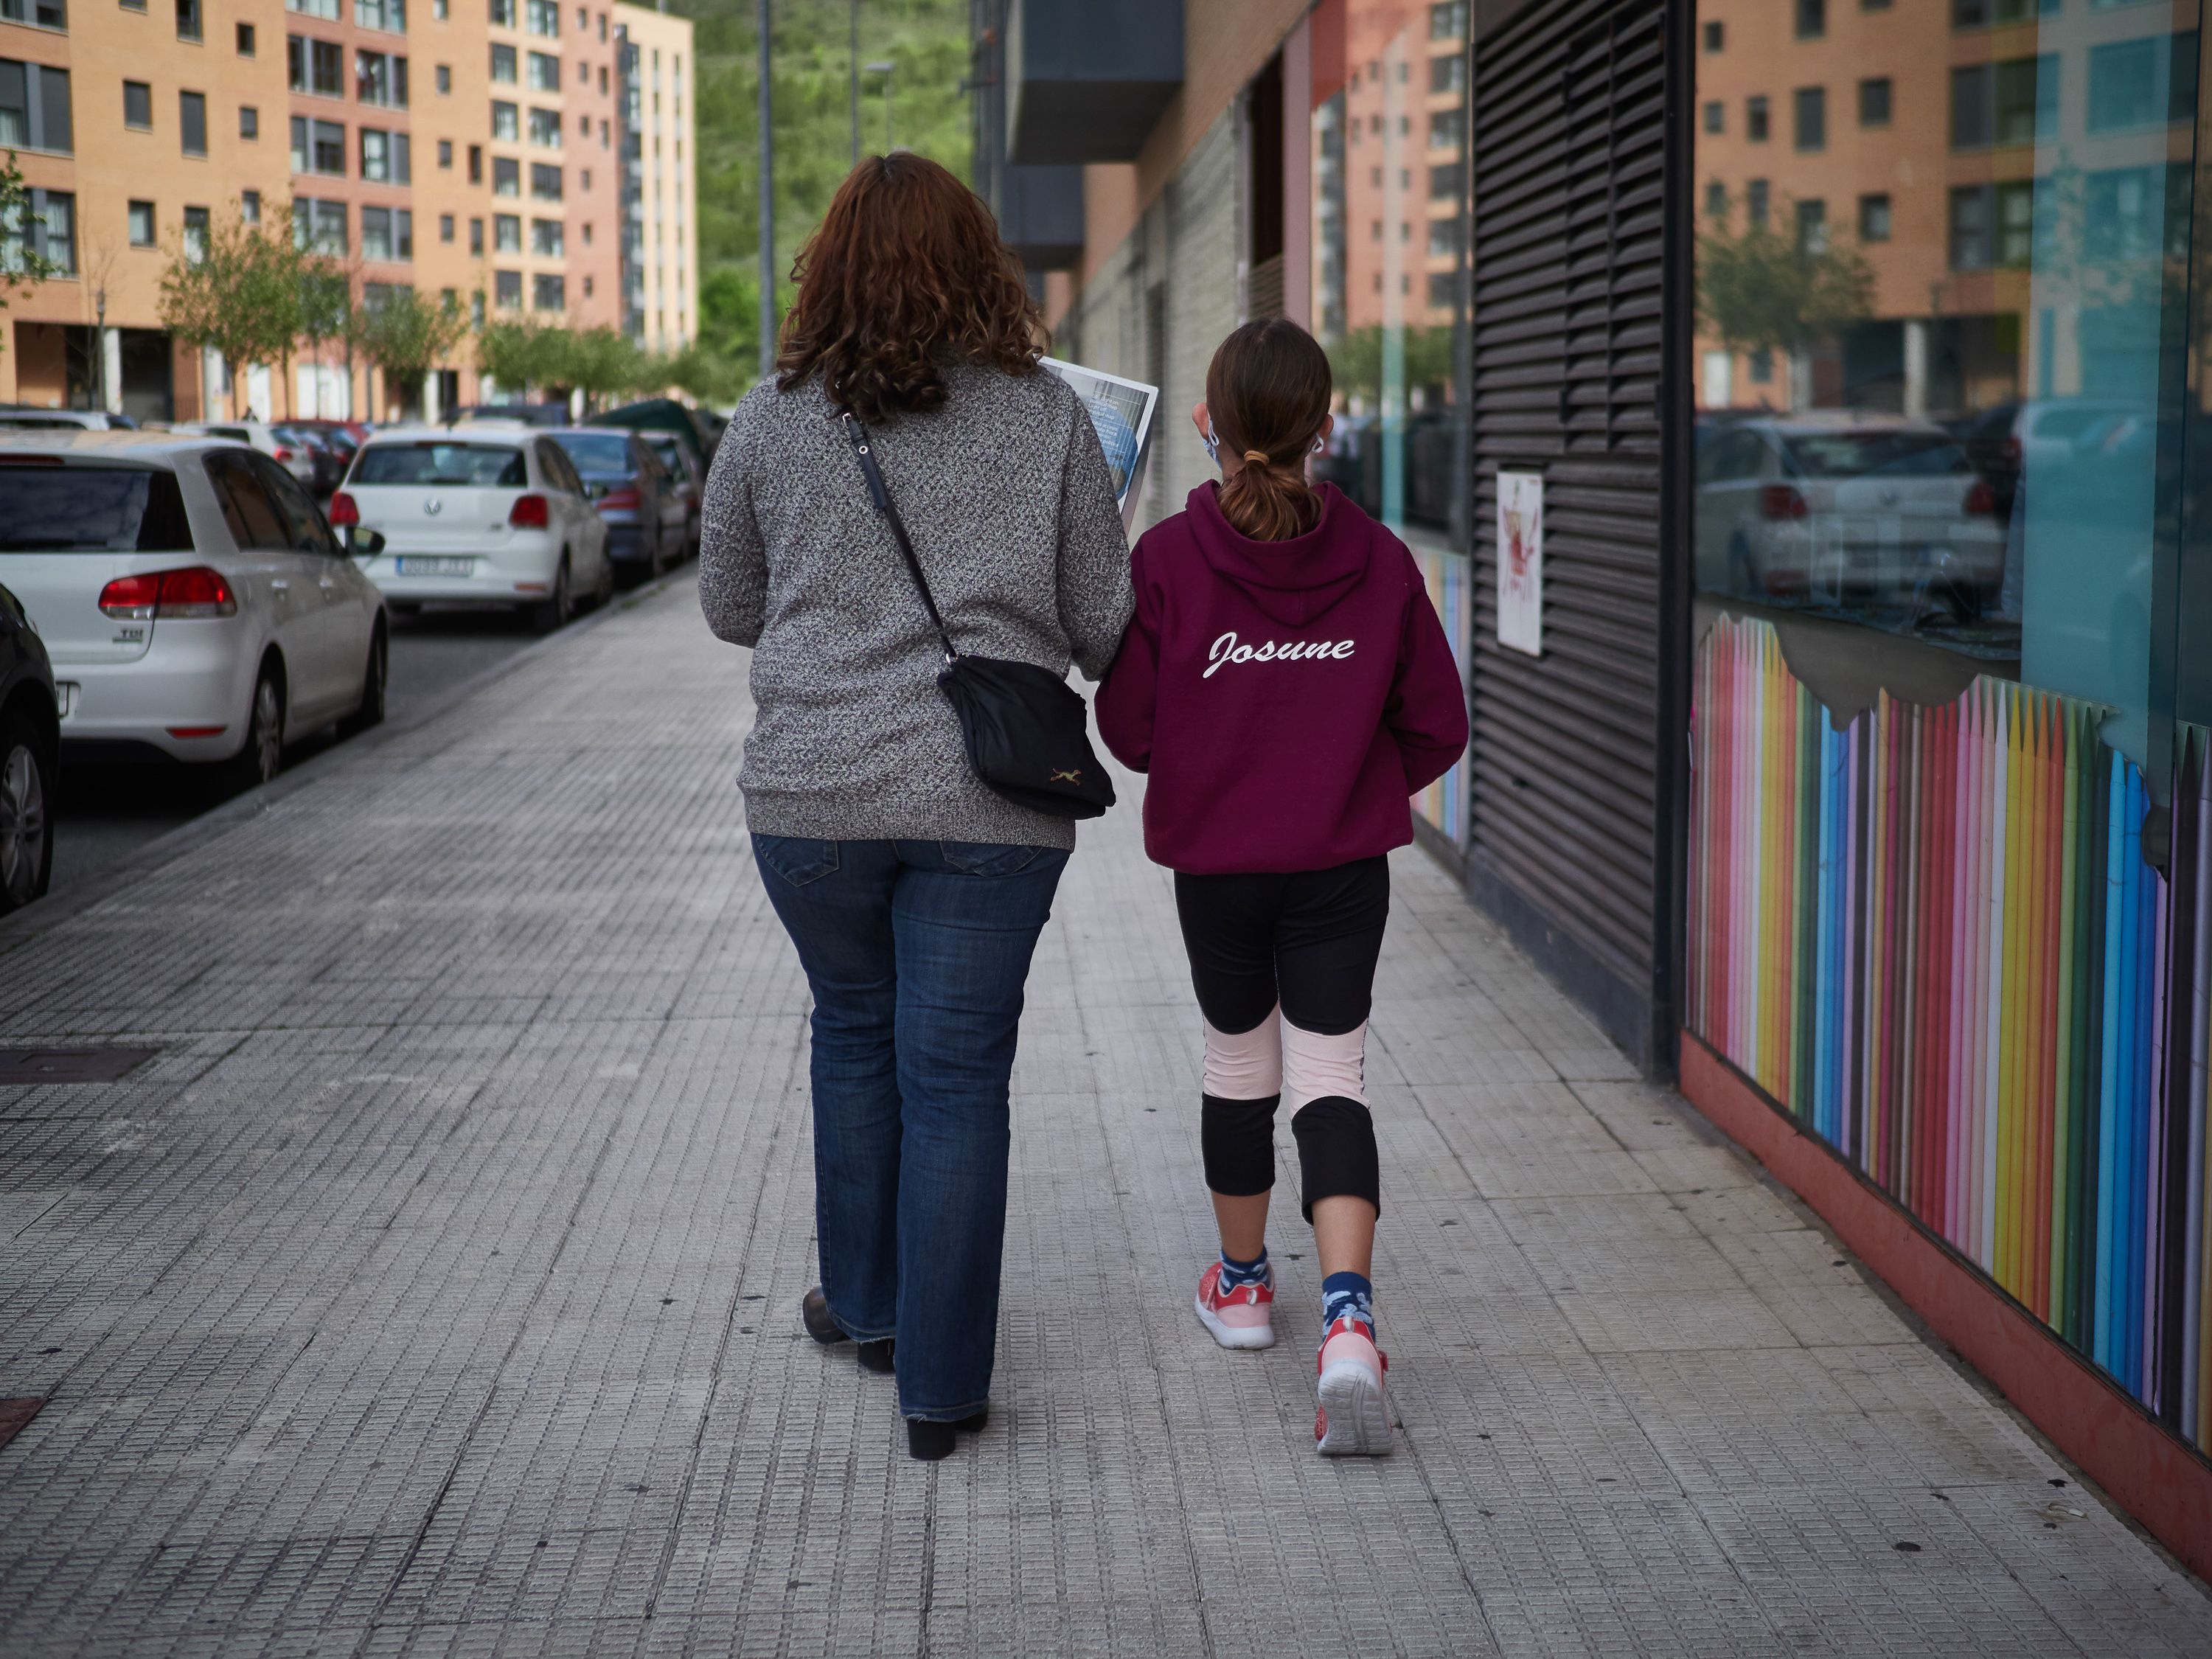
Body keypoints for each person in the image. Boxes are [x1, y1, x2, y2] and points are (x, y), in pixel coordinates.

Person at [698, 154, 1133, 1462]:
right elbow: (1105, 628)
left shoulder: (772, 416)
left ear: (826, 266)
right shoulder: (1052, 416)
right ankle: (939, 1393)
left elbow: (729, 607)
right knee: (957, 1081)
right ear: (979, 261)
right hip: (990, 802)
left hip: (815, 798)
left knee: (852, 1033)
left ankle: (872, 1305)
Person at [1095, 319, 1468, 1456]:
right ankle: (1350, 1322)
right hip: (1340, 868)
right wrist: (1347, 787)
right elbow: (1440, 726)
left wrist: (1229, 770)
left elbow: (1129, 728)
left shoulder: (1162, 560)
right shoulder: (1385, 559)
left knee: (1238, 1065)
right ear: (1324, 426)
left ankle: (1248, 1288)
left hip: (1220, 872)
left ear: (1212, 423)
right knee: (1329, 1073)